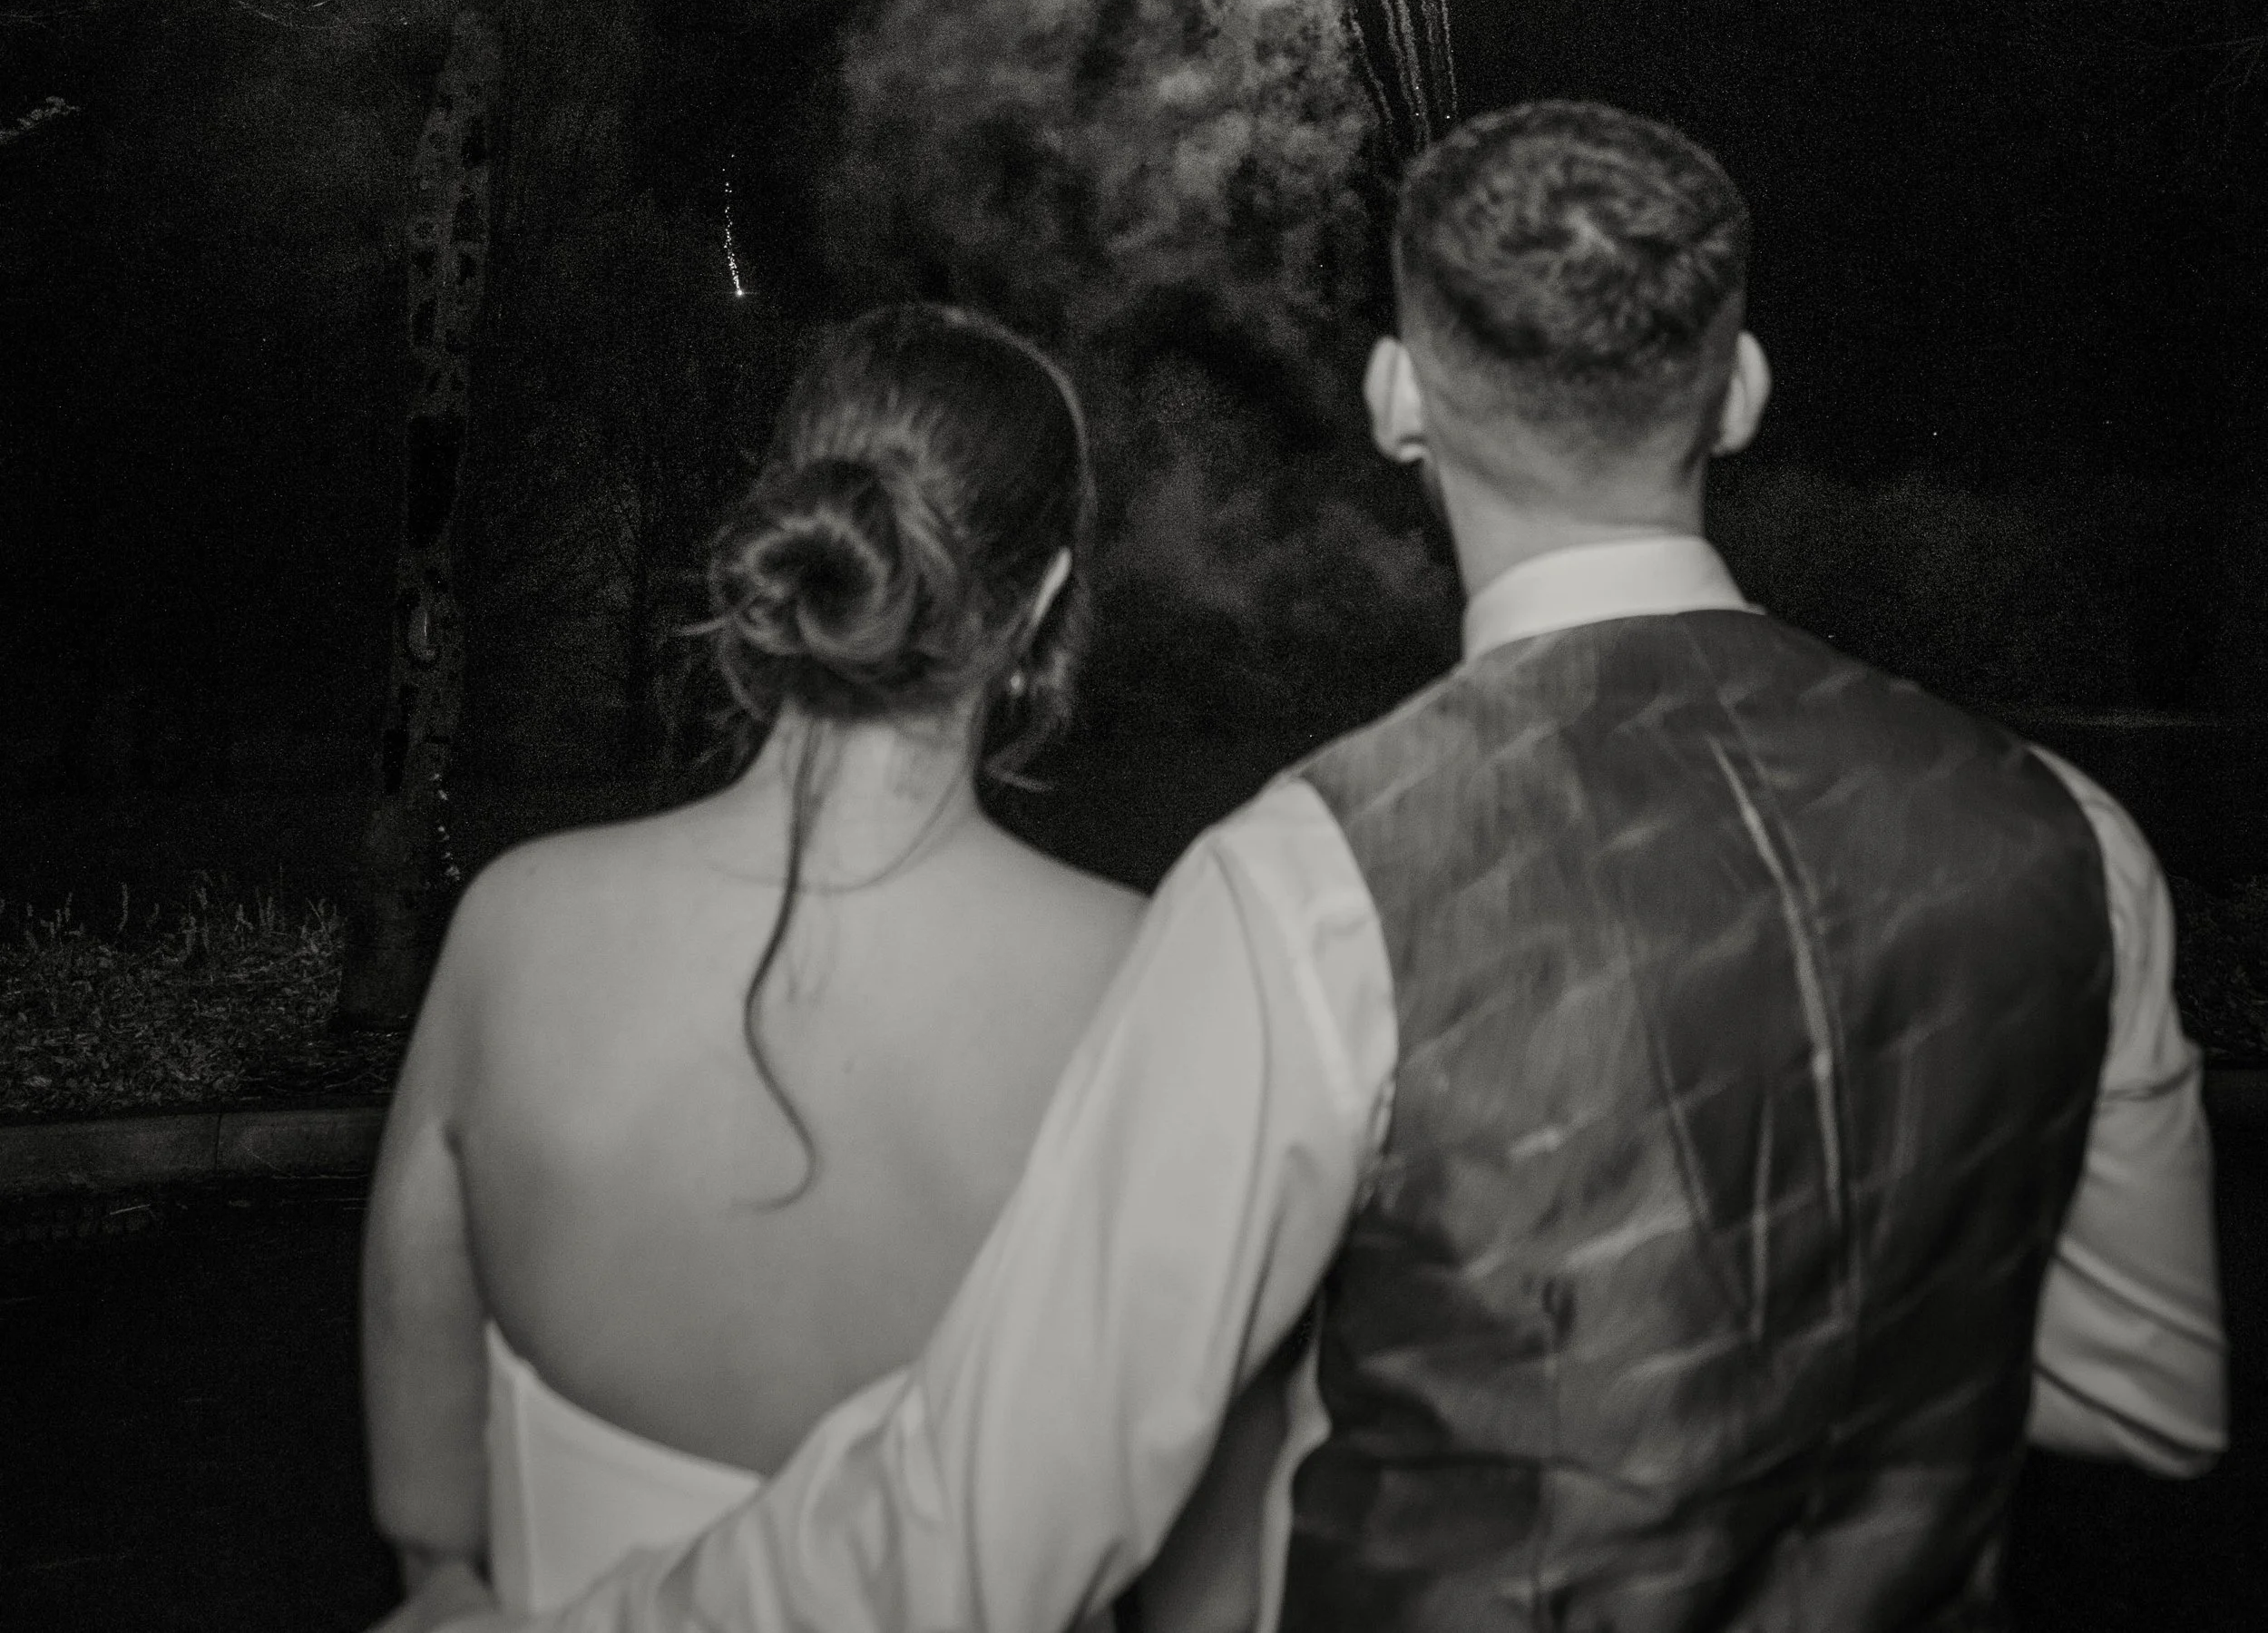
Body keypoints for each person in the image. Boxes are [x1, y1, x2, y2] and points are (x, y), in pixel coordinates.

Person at [471, 98, 2225, 1633]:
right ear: (1742, 387)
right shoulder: (2073, 838)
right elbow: (2153, 1391)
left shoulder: (1311, 883)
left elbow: (991, 1521)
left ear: (1400, 400)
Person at [360, 302, 1165, 1628]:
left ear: (803, 533)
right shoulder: (1141, 978)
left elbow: (431, 1537)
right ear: (1039, 598)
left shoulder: (517, 924)